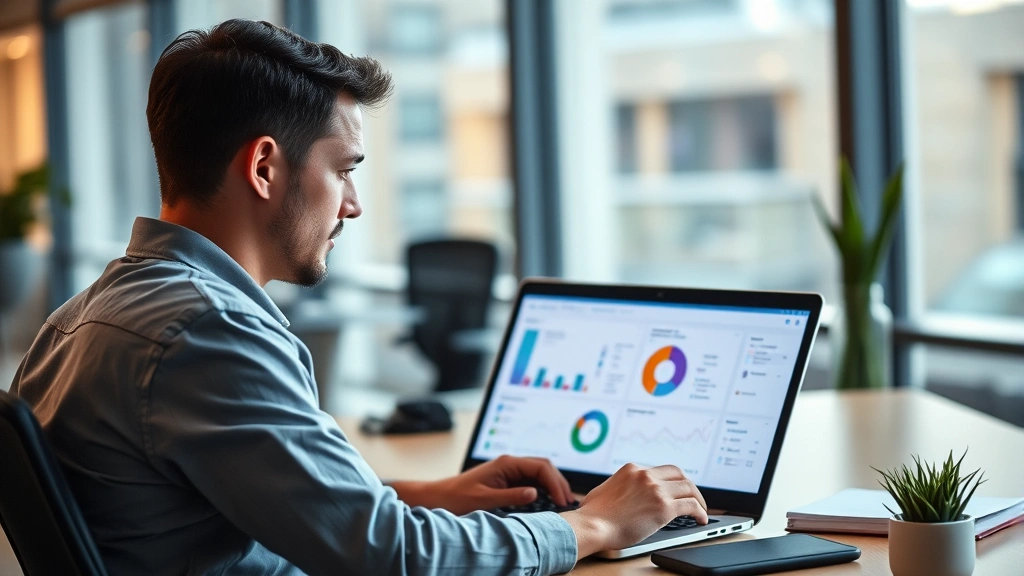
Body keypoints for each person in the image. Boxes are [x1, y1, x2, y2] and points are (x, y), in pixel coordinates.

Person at [11, 19, 707, 575]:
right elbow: (389, 557)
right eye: (344, 170)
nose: (353, 204)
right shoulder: (208, 331)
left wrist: (431, 495)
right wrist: (593, 524)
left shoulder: (85, 315)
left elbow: (242, 498)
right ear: (264, 167)